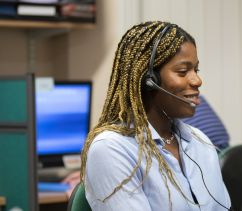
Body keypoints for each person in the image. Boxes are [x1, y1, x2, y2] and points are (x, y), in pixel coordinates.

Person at [80, 21, 231, 210]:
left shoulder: (200, 142)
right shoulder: (112, 149)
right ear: (148, 80)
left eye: (196, 70)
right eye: (183, 71)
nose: (197, 80)